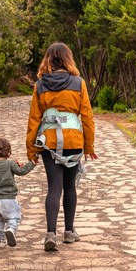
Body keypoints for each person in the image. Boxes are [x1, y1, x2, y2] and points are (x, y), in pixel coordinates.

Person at [26, 42, 98, 252]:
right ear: (68, 59)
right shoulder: (78, 83)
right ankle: (68, 231)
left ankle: (50, 233)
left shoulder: (39, 86)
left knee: (53, 187)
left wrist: (32, 149)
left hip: (49, 142)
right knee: (70, 186)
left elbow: (34, 119)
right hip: (73, 141)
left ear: (48, 59)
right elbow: (87, 116)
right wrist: (89, 146)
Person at [0, 138, 35, 248]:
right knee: (13, 217)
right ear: (8, 152)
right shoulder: (10, 164)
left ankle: (0, 240)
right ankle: (11, 229)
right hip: (8, 199)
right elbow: (21, 171)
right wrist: (31, 164)